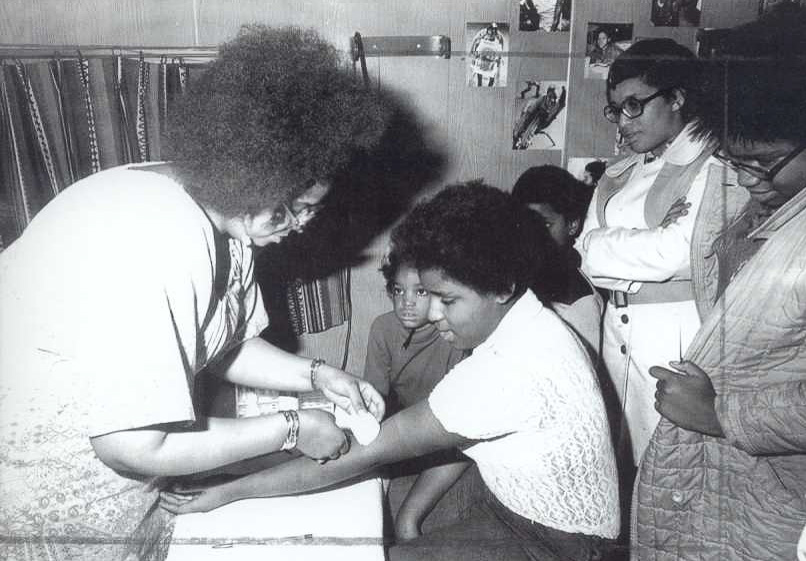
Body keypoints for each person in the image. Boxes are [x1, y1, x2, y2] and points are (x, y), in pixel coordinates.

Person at [0, 25, 388, 561]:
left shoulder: (224, 217)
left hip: (126, 490)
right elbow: (130, 447)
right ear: (251, 176)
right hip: (44, 491)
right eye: (294, 209)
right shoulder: (158, 238)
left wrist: (318, 376)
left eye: (310, 210)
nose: (301, 226)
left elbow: (220, 344)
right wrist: (292, 428)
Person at [162, 182, 621, 561]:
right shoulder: (529, 322)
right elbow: (459, 437)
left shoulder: (506, 370)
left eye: (447, 300)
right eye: (429, 295)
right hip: (509, 499)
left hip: (559, 545)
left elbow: (365, 452)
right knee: (370, 510)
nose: (434, 314)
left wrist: (230, 492)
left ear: (502, 287)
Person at [635, 5, 806, 559]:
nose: (749, 180)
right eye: (734, 159)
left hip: (789, 489)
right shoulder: (741, 180)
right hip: (722, 476)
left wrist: (722, 415)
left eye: (764, 162)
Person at [575, 38, 748, 469]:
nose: (623, 121)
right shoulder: (619, 172)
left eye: (635, 105)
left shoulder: (716, 164)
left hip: (676, 335)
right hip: (615, 332)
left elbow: (678, 251)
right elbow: (583, 255)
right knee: (622, 462)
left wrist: (600, 244)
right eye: (617, 109)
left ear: (677, 98)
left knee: (672, 464)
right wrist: (635, 242)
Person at [363, 253, 469, 541]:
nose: (406, 302)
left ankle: (408, 522)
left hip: (446, 434)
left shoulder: (452, 334)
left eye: (420, 292)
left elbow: (455, 421)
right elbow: (375, 400)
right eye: (399, 291)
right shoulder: (383, 328)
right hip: (407, 429)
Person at [510, 165, 600, 354]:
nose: (532, 234)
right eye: (524, 223)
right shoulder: (524, 272)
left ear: (572, 225)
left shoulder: (577, 300)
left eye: (545, 224)